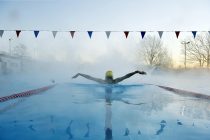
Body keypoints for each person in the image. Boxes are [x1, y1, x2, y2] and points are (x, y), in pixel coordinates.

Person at [72, 70, 146, 84]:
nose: (109, 80)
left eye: (109, 78)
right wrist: (79, 74)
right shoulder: (115, 81)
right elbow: (89, 77)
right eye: (108, 78)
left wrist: (136, 72)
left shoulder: (103, 82)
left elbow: (126, 76)